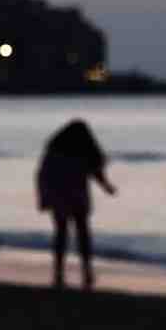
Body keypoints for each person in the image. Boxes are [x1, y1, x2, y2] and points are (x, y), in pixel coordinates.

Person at [36, 119, 117, 289]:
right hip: (77, 197)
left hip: (59, 197)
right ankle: (86, 273)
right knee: (83, 235)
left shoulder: (54, 151)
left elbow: (42, 175)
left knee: (61, 235)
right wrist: (107, 187)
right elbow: (96, 172)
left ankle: (59, 273)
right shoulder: (83, 151)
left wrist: (44, 198)